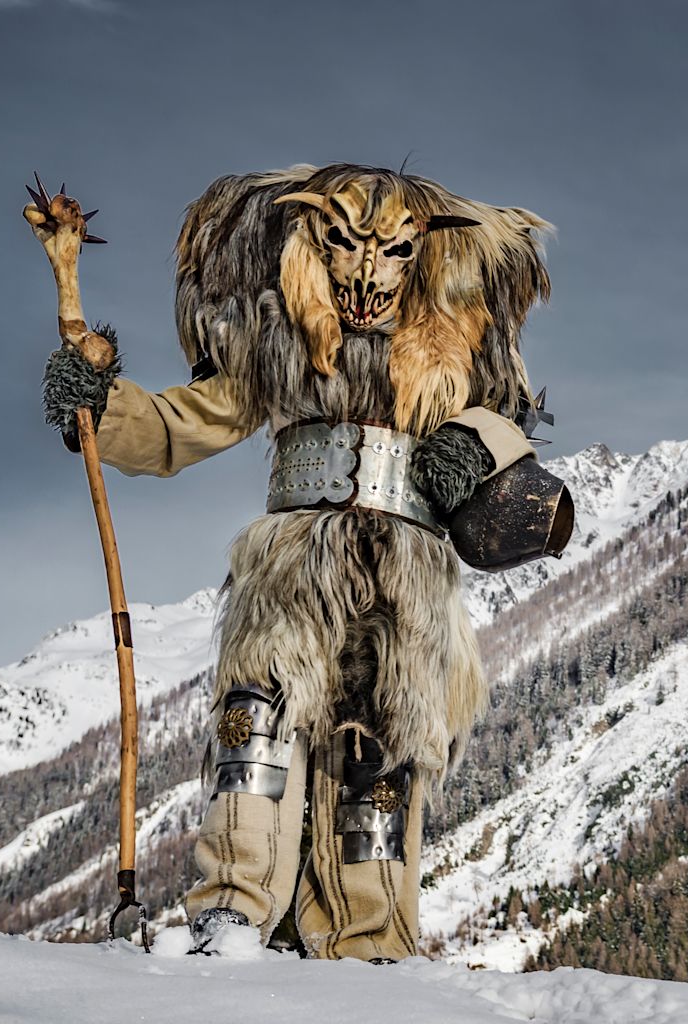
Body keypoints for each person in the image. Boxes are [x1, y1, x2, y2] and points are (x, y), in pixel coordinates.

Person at [39, 164, 570, 961]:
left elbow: (508, 429)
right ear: (313, 245)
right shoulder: (283, 345)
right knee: (256, 720)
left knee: (380, 755)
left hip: (407, 579)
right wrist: (103, 407)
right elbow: (190, 420)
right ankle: (232, 911)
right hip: (294, 566)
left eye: (391, 251)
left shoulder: (451, 359)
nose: (366, 274)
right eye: (345, 245)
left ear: (420, 255)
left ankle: (371, 941)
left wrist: (474, 442)